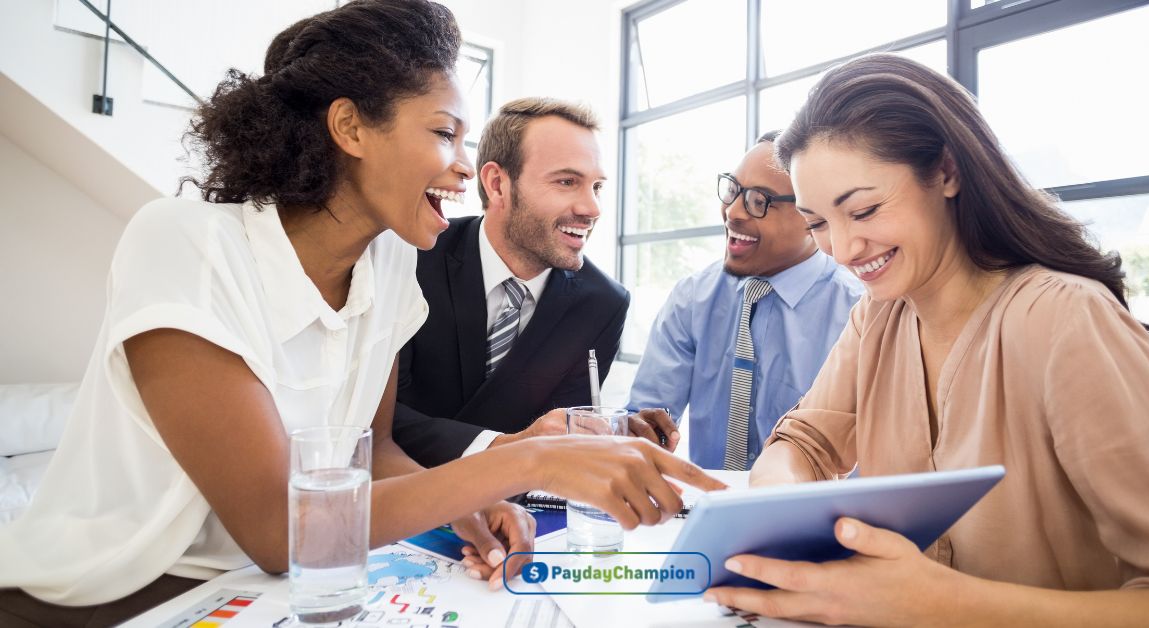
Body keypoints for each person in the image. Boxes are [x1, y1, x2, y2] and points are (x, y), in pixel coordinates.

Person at [0, 2, 723, 624]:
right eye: (444, 133)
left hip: (259, 597)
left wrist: (453, 512)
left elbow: (372, 453)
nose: (466, 167)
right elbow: (280, 530)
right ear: (349, 127)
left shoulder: (386, 269)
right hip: (102, 602)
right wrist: (527, 461)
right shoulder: (186, 243)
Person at [701, 54, 1149, 625]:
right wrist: (787, 518)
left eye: (862, 210)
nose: (841, 249)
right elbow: (803, 444)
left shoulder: (1065, 320)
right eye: (817, 224)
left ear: (946, 172)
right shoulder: (879, 319)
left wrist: (934, 603)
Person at [391, 97, 671, 466]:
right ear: (497, 184)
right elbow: (381, 419)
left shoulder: (603, 303)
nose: (592, 208)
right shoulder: (410, 258)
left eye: (597, 186)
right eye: (567, 181)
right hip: (400, 493)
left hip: (520, 510)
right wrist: (506, 445)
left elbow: (561, 432)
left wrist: (609, 430)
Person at [626, 131, 862, 470]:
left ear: (813, 216)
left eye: (758, 201)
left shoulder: (859, 312)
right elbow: (644, 419)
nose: (732, 212)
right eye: (733, 190)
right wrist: (640, 432)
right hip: (707, 508)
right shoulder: (693, 298)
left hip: (819, 517)